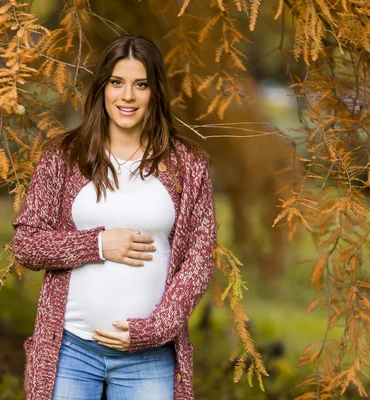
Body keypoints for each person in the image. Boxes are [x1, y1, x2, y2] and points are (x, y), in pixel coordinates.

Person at [12, 35, 217, 400]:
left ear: (155, 93)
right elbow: (26, 245)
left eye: (140, 85)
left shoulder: (187, 166)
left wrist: (154, 330)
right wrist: (97, 244)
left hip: (149, 357)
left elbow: (199, 261)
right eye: (117, 83)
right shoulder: (63, 157)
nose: (127, 96)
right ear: (101, 89)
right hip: (70, 350)